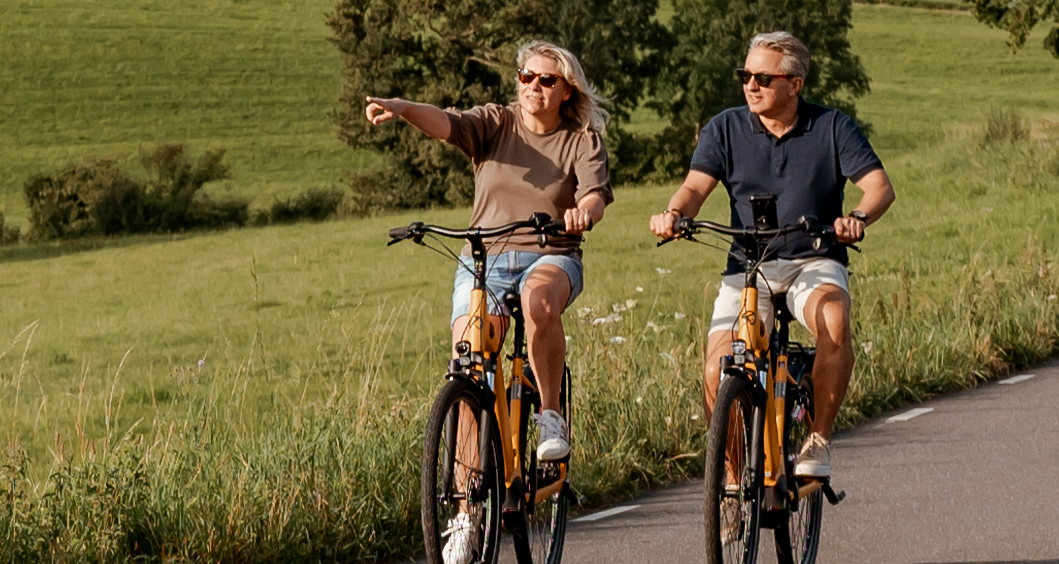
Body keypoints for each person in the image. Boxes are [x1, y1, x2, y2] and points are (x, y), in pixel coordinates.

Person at [647, 29, 892, 476]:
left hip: (812, 259)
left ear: (794, 84)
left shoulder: (832, 126)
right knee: (717, 370)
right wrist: (674, 214)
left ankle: (817, 440)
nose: (751, 85)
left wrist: (856, 216)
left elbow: (879, 187)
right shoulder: (725, 127)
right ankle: (733, 483)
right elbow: (693, 189)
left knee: (834, 320)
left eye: (763, 77)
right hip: (749, 268)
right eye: (746, 75)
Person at [360, 40, 613, 469]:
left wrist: (581, 215)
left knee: (539, 301)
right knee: (468, 361)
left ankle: (550, 414)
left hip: (550, 253)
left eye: (546, 80)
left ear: (566, 90)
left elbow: (595, 196)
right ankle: (465, 512)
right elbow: (446, 123)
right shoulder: (497, 122)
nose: (534, 86)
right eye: (526, 77)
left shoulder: (580, 140)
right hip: (486, 258)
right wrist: (402, 107)